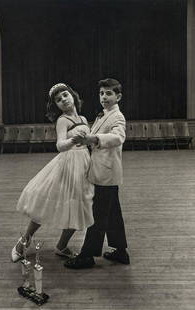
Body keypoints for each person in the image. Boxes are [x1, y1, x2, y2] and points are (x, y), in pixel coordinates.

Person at [11, 83, 94, 263]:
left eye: (65, 95)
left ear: (73, 96)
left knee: (79, 208)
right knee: (45, 206)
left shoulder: (84, 119)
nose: (63, 100)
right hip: (67, 165)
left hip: (84, 165)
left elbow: (89, 143)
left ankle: (62, 246)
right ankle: (23, 242)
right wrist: (73, 140)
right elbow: (59, 145)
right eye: (58, 99)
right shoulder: (62, 120)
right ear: (56, 105)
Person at [64, 78, 129, 269]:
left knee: (98, 216)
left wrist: (94, 138)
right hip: (105, 173)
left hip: (106, 174)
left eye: (109, 93)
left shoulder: (118, 117)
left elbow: (118, 137)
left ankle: (87, 256)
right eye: (101, 93)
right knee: (113, 213)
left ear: (118, 96)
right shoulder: (103, 115)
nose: (104, 97)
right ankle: (121, 251)